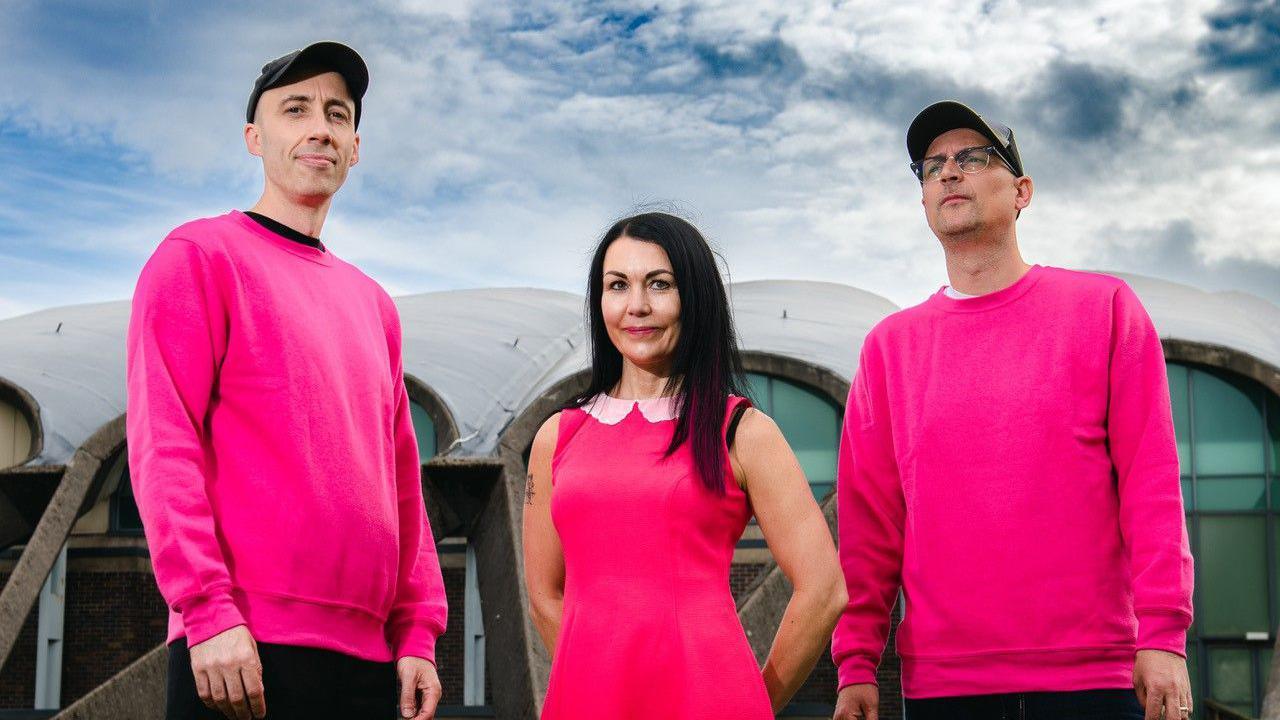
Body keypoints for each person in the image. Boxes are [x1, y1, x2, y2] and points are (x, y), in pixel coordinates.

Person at [831, 101, 1195, 720]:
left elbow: (1150, 486)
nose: (949, 173)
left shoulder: (1104, 309)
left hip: (1095, 675)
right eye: (932, 166)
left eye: (973, 158)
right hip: (946, 686)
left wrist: (1163, 635)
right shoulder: (889, 348)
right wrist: (856, 661)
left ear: (1021, 191)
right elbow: (870, 524)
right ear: (923, 202)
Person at [127, 42, 446, 720]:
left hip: (369, 665)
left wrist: (417, 631)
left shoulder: (374, 304)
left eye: (337, 113)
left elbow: (401, 483)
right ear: (255, 136)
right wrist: (207, 611)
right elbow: (164, 446)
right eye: (294, 108)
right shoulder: (198, 258)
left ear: (355, 146)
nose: (319, 127)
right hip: (242, 646)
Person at [522, 212, 846, 718]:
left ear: (693, 298)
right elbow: (544, 595)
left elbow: (825, 589)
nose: (637, 306)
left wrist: (751, 702)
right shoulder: (556, 437)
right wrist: (598, 685)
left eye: (659, 284)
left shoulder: (744, 431)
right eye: (617, 285)